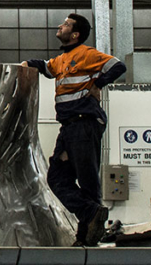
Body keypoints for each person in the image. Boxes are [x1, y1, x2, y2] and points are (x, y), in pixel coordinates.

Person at [22, 13, 126, 246]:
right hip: (69, 126)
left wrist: (98, 84)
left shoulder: (87, 54)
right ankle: (90, 212)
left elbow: (118, 66)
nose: (61, 26)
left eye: (66, 24)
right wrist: (28, 63)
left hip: (85, 123)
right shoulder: (62, 59)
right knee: (57, 179)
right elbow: (46, 68)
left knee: (88, 182)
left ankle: (86, 238)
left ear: (75, 34)